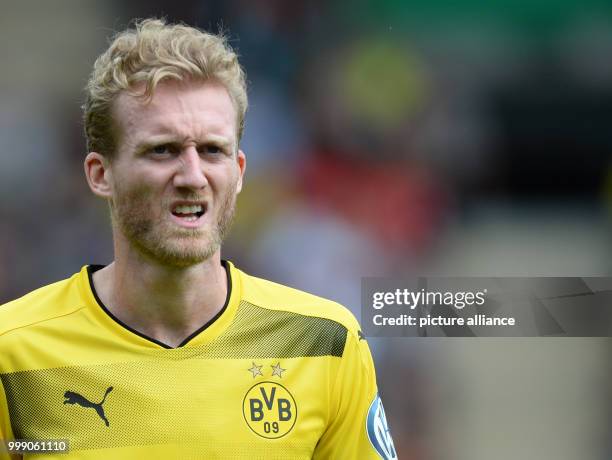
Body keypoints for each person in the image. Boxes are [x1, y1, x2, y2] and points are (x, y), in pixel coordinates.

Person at [0, 18, 396, 459]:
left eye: (212, 151)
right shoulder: (12, 350)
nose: (192, 176)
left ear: (239, 171)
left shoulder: (324, 343)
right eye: (162, 150)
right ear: (100, 174)